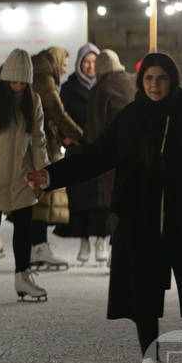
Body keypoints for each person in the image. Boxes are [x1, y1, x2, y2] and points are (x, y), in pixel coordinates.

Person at [26, 52, 182, 363]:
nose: (155, 85)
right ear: (141, 82)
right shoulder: (131, 117)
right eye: (149, 79)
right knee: (143, 299)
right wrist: (51, 175)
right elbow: (96, 157)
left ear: (172, 81)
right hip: (139, 220)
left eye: (162, 79)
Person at [0, 49, 49, 301]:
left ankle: (22, 277)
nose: (19, 87)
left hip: (22, 177)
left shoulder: (32, 101)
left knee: (24, 227)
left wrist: (41, 172)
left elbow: (38, 140)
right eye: (15, 82)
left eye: (24, 83)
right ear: (4, 79)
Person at [54, 43, 110, 264]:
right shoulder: (69, 88)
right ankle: (84, 241)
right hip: (78, 149)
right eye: (86, 62)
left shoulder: (106, 85)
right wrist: (64, 137)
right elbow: (60, 116)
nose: (90, 66)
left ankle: (101, 241)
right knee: (80, 198)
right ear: (79, 63)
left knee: (102, 198)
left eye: (94, 62)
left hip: (101, 149)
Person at [29, 46, 81, 270]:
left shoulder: (35, 75)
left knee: (36, 198)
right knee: (41, 197)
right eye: (64, 65)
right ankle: (38, 247)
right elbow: (58, 114)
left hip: (33, 144)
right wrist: (80, 136)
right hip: (40, 146)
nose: (64, 69)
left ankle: (36, 246)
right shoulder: (46, 82)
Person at [85, 50, 137, 240]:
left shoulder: (100, 90)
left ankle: (122, 252)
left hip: (114, 158)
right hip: (142, 154)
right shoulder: (134, 80)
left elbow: (95, 130)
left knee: (117, 206)